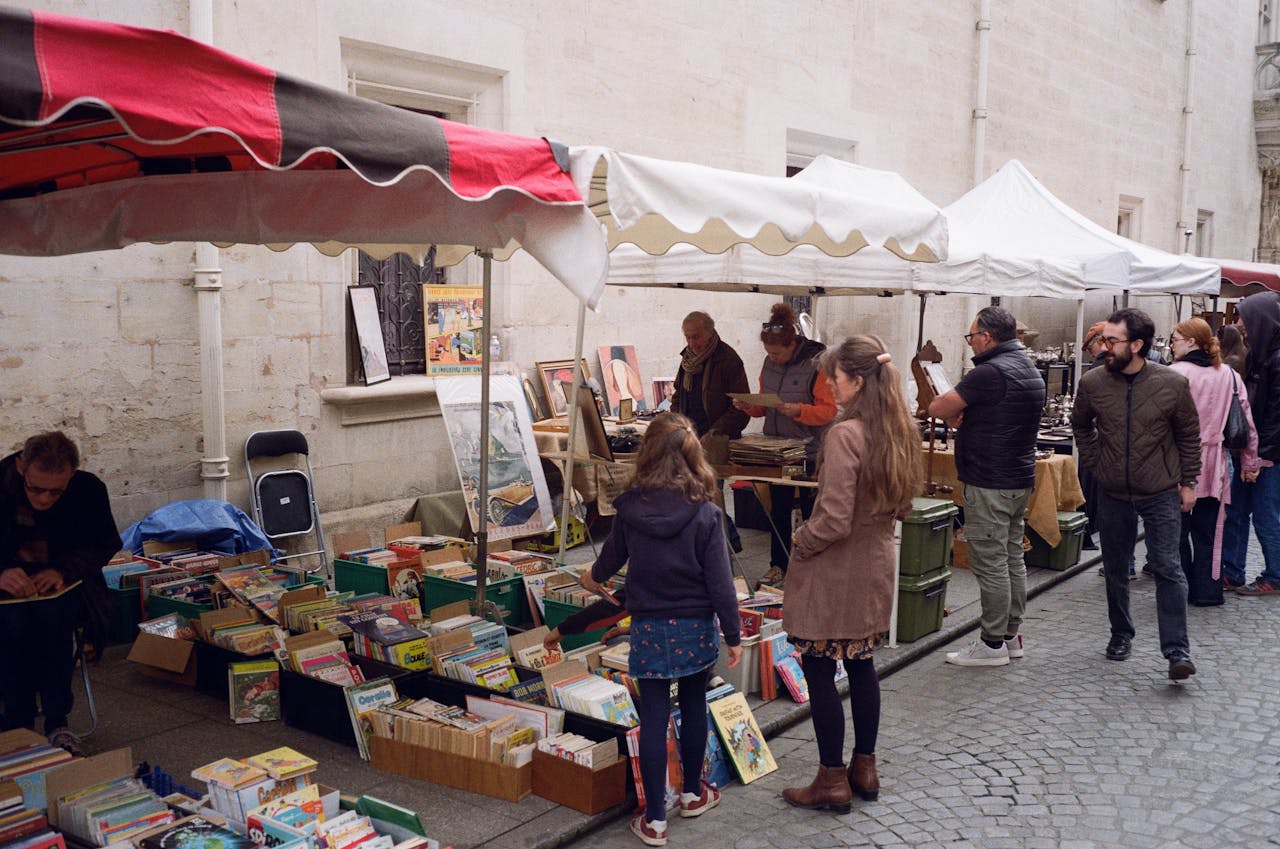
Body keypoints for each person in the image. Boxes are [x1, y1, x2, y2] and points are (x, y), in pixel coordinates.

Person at [580, 412, 742, 846]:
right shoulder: (707, 514)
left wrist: (592, 576)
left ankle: (654, 820)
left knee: (652, 719)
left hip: (650, 627)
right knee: (692, 707)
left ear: (646, 453)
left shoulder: (630, 509)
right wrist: (734, 635)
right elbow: (721, 583)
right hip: (695, 627)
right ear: (694, 457)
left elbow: (608, 562)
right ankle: (692, 794)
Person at [779, 336, 923, 812]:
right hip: (874, 565)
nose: (830, 386)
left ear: (857, 381)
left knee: (820, 670)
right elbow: (902, 504)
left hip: (835, 572)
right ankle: (865, 766)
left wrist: (801, 540)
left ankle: (831, 778)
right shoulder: (898, 428)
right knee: (861, 665)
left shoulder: (847, 434)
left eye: (835, 379)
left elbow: (834, 518)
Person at [1071, 308, 1202, 680]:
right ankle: (1120, 635)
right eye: (1103, 340)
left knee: (1168, 568)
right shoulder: (1093, 383)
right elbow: (1080, 424)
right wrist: (1097, 462)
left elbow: (1188, 436)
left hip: (1160, 490)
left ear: (1138, 345)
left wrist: (1188, 481)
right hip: (1112, 491)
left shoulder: (1172, 384)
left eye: (1112, 341)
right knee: (1114, 568)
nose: (1104, 347)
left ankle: (1177, 651)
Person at [928, 306, 1045, 667]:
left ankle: (991, 644)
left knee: (990, 561)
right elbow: (993, 414)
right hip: (1017, 477)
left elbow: (937, 405)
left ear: (988, 337)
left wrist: (953, 411)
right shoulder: (1028, 368)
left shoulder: (989, 372)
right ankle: (1010, 636)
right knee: (1010, 557)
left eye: (972, 336)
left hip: (991, 479)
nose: (970, 343)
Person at [0, 431, 121, 755]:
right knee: (12, 622)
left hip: (65, 584)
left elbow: (106, 543)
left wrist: (64, 571)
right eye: (36, 489)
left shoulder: (88, 489)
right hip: (5, 588)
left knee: (54, 616)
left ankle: (57, 721)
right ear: (20, 467)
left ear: (72, 476)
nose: (44, 500)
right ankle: (17, 720)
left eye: (56, 492)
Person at [734, 303, 836, 588]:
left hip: (810, 451)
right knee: (777, 509)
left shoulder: (819, 363)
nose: (773, 358)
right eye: (768, 353)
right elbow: (765, 407)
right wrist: (748, 405)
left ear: (793, 344)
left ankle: (813, 566)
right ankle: (779, 564)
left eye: (777, 353)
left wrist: (800, 410)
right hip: (779, 451)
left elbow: (829, 410)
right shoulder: (769, 364)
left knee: (811, 511)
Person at [1168, 318, 1261, 605]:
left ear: (1191, 342)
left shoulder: (1172, 374)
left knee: (1177, 530)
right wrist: (1250, 463)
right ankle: (1208, 590)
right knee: (1210, 530)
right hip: (1214, 465)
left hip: (1177, 463)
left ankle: (1180, 589)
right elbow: (1246, 423)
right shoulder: (1230, 376)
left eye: (1175, 339)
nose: (1171, 344)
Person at [672, 311, 750, 552]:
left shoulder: (728, 359)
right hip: (689, 435)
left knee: (707, 494)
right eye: (687, 337)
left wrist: (714, 432)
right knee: (690, 492)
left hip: (714, 438)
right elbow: (679, 395)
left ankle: (725, 544)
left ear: (710, 332)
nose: (692, 343)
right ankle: (720, 542)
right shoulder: (687, 359)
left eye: (696, 337)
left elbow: (741, 407)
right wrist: (673, 420)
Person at [1223, 291, 1280, 594]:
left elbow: (1274, 418)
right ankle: (1232, 570)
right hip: (1250, 451)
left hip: (1268, 456)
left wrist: (1257, 460)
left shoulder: (1276, 358)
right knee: (1236, 510)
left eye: (1244, 316)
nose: (1240, 323)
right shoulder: (1260, 354)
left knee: (1266, 514)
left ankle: (1276, 575)